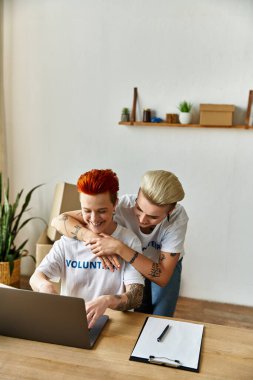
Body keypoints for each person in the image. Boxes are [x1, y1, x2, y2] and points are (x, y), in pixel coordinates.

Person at [52, 170, 188, 317]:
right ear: (137, 197)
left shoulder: (177, 219)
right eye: (139, 209)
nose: (142, 220)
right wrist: (91, 237)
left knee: (162, 315)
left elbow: (162, 277)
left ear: (170, 211)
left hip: (162, 267)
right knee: (139, 313)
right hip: (131, 262)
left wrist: (119, 248)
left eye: (153, 216)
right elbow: (59, 220)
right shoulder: (122, 205)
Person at [30, 169, 144, 328]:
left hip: (114, 325)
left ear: (115, 204)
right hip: (70, 323)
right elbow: (35, 277)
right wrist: (44, 286)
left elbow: (136, 296)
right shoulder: (68, 241)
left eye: (102, 211)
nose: (94, 219)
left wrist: (107, 300)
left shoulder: (129, 241)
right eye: (86, 211)